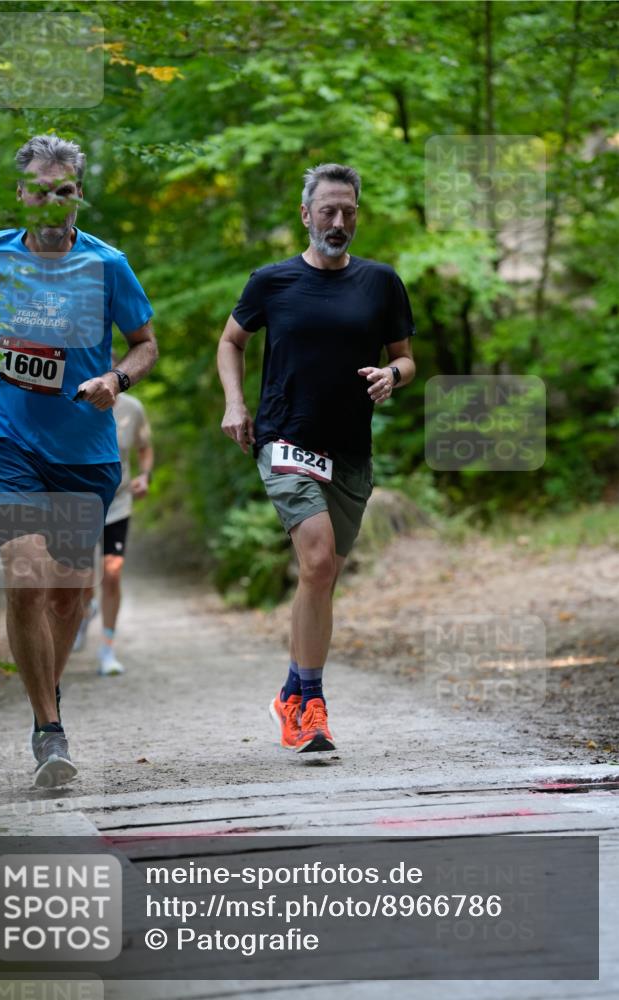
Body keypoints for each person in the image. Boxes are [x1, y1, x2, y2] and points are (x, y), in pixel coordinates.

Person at [0, 134, 158, 787]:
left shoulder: (108, 265)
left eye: (63, 191)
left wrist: (116, 382)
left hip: (87, 451)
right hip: (10, 439)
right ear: (19, 194)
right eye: (38, 190)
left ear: (78, 195)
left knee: (70, 595)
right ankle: (48, 729)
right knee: (26, 574)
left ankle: (50, 698)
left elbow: (145, 344)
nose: (50, 202)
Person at [217, 163, 415, 754]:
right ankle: (311, 705)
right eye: (327, 210)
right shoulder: (272, 282)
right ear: (305, 214)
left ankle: (290, 691)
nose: (338, 221)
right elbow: (231, 341)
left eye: (348, 211)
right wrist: (235, 403)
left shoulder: (380, 283)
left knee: (321, 577)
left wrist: (391, 375)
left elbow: (406, 358)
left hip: (350, 449)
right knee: (319, 561)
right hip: (286, 438)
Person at [73, 386, 154, 676]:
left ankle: (107, 648)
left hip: (118, 501)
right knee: (81, 575)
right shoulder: (75, 403)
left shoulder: (132, 408)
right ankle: (84, 611)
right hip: (80, 503)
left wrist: (145, 476)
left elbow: (144, 448)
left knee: (112, 572)